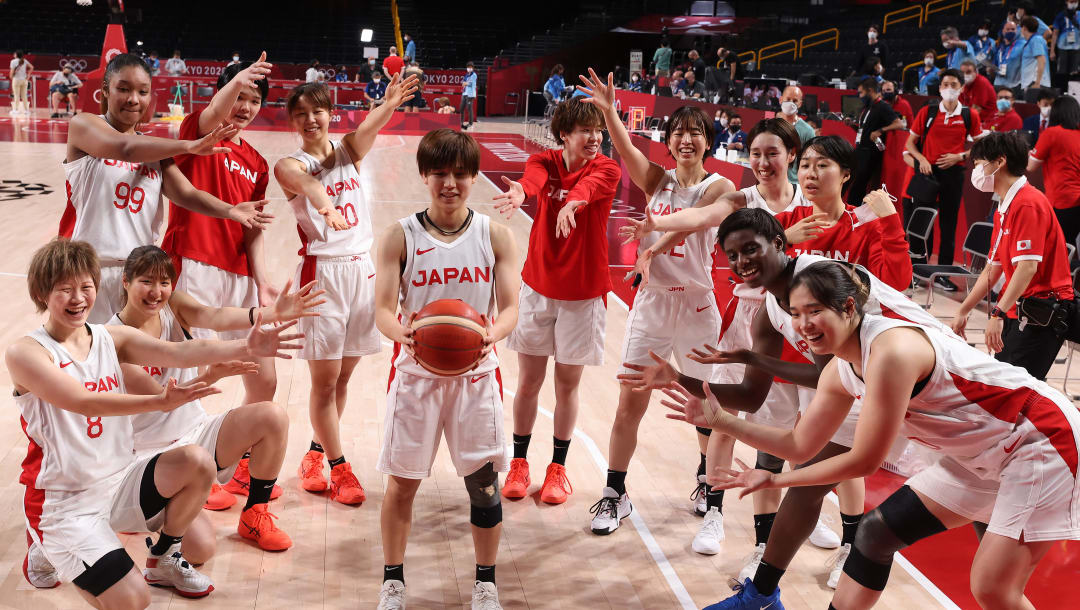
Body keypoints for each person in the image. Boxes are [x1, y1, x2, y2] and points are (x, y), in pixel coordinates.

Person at [665, 259, 1080, 610]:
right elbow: (800, 445)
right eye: (795, 313)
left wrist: (776, 478)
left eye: (815, 311)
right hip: (981, 452)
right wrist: (722, 421)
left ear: (848, 307)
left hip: (1038, 439)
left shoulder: (891, 351)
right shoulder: (843, 368)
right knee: (875, 534)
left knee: (993, 588)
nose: (803, 325)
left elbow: (863, 460)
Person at [619, 208, 951, 607]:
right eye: (733, 255)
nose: (742, 262)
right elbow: (754, 395)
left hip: (936, 382)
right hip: (893, 392)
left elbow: (832, 375)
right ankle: (761, 593)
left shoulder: (820, 280)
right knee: (830, 499)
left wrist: (756, 360)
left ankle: (761, 593)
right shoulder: (770, 310)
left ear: (779, 243)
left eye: (750, 249)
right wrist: (677, 378)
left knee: (823, 492)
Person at [9, 238, 301, 604]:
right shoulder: (25, 352)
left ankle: (162, 557)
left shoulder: (108, 337)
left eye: (85, 287)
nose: (78, 298)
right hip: (69, 499)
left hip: (120, 480)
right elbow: (81, 401)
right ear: (42, 293)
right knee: (135, 601)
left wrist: (248, 344)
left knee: (197, 460)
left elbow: (179, 351)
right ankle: (47, 543)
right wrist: (160, 401)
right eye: (65, 290)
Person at [578, 70, 735, 539]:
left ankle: (709, 488)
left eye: (695, 132)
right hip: (652, 306)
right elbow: (626, 149)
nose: (686, 139)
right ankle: (614, 493)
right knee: (631, 403)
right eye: (679, 133)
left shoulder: (720, 186)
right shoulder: (658, 181)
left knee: (705, 404)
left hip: (697, 308)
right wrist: (609, 112)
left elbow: (692, 223)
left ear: (708, 141)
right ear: (669, 141)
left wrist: (653, 245)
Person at [373, 128, 519, 610]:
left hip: (476, 378)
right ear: (425, 176)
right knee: (403, 482)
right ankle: (393, 581)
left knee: (483, 483)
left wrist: (489, 336)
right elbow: (382, 310)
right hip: (416, 375)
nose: (450, 183)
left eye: (460, 174)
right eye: (440, 174)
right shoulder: (399, 235)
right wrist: (404, 334)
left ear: (475, 177)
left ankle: (486, 583)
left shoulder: (494, 234)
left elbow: (511, 308)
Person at [108, 246, 320, 550]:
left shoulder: (172, 307)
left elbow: (215, 315)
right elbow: (166, 399)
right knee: (200, 550)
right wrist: (214, 375)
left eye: (164, 283)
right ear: (126, 282)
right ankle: (150, 509)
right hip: (150, 454)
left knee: (272, 416)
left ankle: (254, 515)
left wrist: (273, 312)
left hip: (196, 432)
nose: (157, 292)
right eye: (146, 282)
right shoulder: (111, 338)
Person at [273, 74, 418, 508]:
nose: (310, 119)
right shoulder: (289, 165)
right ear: (293, 123)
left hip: (361, 271)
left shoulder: (348, 151)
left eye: (317, 111)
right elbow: (311, 185)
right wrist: (327, 207)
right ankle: (339, 466)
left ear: (330, 114)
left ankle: (315, 455)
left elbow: (370, 127)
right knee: (324, 381)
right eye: (301, 115)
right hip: (323, 274)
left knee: (344, 375)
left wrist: (389, 103)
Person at [60, 53, 272, 324]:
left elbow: (188, 194)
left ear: (150, 97)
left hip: (136, 275)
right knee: (84, 360)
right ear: (105, 91)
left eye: (142, 91)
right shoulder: (85, 125)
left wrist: (231, 210)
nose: (133, 99)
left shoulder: (154, 150)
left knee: (130, 361)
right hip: (86, 269)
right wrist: (188, 146)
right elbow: (124, 148)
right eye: (123, 89)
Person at [158, 54, 281, 491]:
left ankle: (239, 459)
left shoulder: (258, 163)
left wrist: (262, 278)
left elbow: (254, 231)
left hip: (238, 274)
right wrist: (238, 78)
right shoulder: (198, 130)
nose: (245, 106)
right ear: (221, 94)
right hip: (192, 264)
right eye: (240, 95)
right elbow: (215, 110)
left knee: (263, 375)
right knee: (194, 378)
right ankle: (193, 472)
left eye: (255, 99)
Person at [491, 97, 621, 505]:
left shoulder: (607, 168)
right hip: (539, 287)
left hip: (583, 295)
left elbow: (588, 188)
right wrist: (520, 192)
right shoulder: (545, 162)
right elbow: (531, 179)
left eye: (598, 130)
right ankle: (519, 463)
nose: (595, 137)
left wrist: (572, 203)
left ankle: (557, 469)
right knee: (529, 383)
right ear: (564, 134)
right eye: (586, 130)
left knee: (567, 386)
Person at [952, 131, 1075, 380]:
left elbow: (1027, 268)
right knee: (1001, 385)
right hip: (1016, 309)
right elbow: (992, 267)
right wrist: (963, 310)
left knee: (1015, 390)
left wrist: (996, 313)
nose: (976, 171)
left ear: (999, 162)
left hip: (1041, 313)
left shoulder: (1028, 203)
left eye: (978, 164)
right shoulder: (1004, 205)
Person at [904, 68, 983, 292]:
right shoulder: (928, 112)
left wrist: (960, 156)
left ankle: (944, 273)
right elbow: (910, 143)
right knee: (922, 222)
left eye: (954, 85)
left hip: (953, 174)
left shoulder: (970, 115)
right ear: (939, 88)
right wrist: (921, 160)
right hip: (927, 174)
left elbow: (980, 145)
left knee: (949, 224)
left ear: (961, 88)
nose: (949, 89)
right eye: (945, 84)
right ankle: (917, 270)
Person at [1030, 94, 1080, 245]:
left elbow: (1031, 166)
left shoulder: (1052, 133)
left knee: (1058, 246)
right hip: (1075, 200)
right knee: (1068, 244)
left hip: (1061, 200)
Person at [848, 78, 903, 205]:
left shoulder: (883, 106)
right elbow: (864, 130)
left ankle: (851, 212)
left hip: (870, 152)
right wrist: (852, 125)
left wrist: (881, 130)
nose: (860, 96)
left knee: (858, 185)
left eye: (861, 93)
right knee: (854, 183)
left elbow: (898, 123)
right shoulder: (867, 107)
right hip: (860, 149)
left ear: (870, 91)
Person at [778, 86, 817, 184]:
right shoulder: (770, 125)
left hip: (794, 185)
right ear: (781, 99)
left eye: (795, 100)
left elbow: (811, 162)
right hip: (771, 181)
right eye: (788, 99)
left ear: (800, 104)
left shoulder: (808, 131)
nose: (791, 102)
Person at [1021, 15, 1053, 92]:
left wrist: (1037, 83)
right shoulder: (1032, 41)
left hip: (1036, 84)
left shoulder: (1036, 40)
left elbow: (1042, 60)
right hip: (1030, 83)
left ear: (1024, 28)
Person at [994, 19, 1027, 90]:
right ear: (1003, 31)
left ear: (1016, 31)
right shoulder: (999, 47)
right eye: (1008, 29)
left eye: (1013, 29)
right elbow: (995, 65)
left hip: (1014, 85)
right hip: (998, 84)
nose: (1010, 31)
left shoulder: (1023, 44)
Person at [1052, 0, 1080, 82]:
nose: (1073, 3)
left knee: (1074, 71)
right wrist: (1052, 51)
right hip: (1063, 47)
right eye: (1071, 1)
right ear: (1066, 2)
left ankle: (1073, 92)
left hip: (1077, 47)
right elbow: (1055, 33)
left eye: (1075, 1)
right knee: (1062, 71)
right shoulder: (1061, 15)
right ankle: (1061, 91)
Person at [8, 49, 32, 116]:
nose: (13, 54)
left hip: (16, 80)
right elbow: (32, 67)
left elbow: (12, 71)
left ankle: (15, 110)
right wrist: (28, 75)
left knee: (16, 95)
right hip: (24, 80)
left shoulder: (13, 61)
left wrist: (11, 77)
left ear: (16, 54)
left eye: (14, 53)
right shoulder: (24, 60)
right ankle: (26, 110)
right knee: (24, 95)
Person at [462, 61, 478, 129]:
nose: (469, 68)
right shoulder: (467, 74)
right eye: (468, 67)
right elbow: (463, 81)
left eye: (470, 67)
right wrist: (464, 83)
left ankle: (471, 123)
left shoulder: (474, 75)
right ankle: (463, 122)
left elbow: (471, 84)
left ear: (473, 68)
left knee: (469, 108)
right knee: (464, 108)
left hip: (471, 94)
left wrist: (465, 83)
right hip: (465, 93)